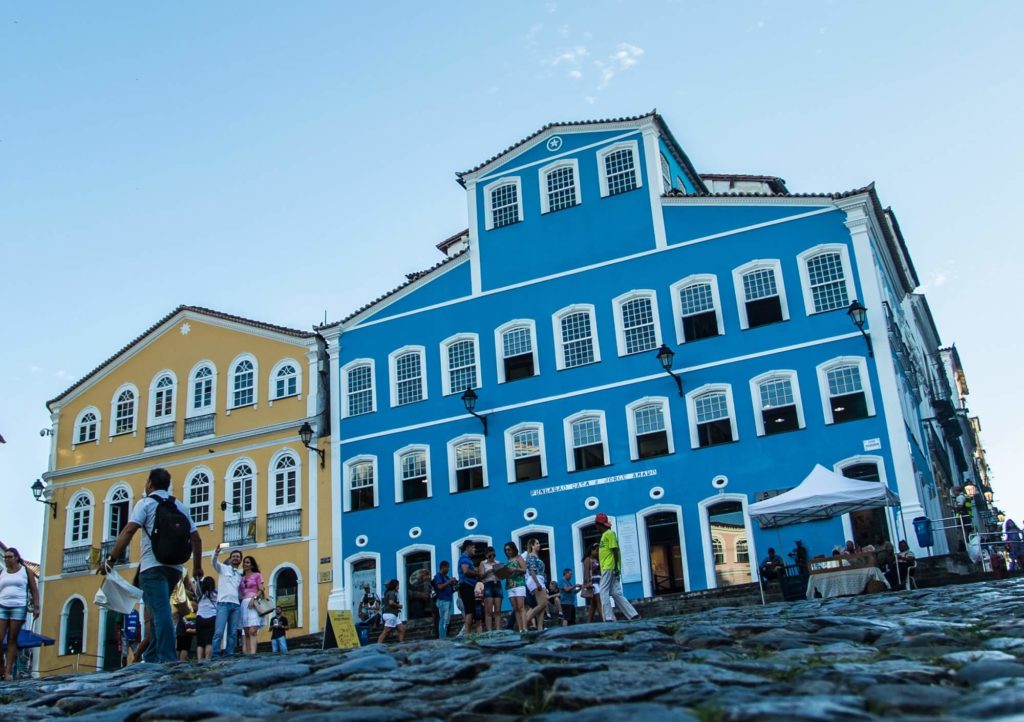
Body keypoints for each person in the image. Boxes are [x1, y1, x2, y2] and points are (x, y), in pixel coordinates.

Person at [100, 468, 203, 664]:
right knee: (158, 612)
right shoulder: (180, 506)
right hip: (175, 568)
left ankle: (167, 658)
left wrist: (111, 560)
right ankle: (152, 657)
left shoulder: (145, 504)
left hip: (152, 567)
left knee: (161, 611)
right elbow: (196, 539)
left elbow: (129, 530)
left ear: (149, 484)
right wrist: (197, 567)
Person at [0, 547, 40, 681]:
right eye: (5, 557)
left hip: (19, 607)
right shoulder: (2, 572)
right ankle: (1, 667)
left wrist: (36, 607)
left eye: (9, 557)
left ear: (16, 557)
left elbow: (34, 589)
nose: (6, 559)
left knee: (12, 638)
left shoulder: (25, 571)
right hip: (2, 607)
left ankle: (8, 671)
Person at [595, 513, 639, 622]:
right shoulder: (605, 535)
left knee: (603, 591)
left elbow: (615, 550)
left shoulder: (609, 533)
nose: (596, 527)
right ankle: (633, 614)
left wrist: (615, 568)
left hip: (609, 567)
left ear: (599, 524)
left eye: (596, 525)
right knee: (615, 592)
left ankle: (609, 617)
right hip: (608, 567)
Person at [211, 547, 244, 657]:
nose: (235, 558)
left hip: (236, 605)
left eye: (238, 557)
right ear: (230, 558)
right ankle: (215, 654)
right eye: (234, 556)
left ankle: (229, 653)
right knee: (219, 631)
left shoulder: (240, 575)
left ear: (240, 560)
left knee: (233, 633)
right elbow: (214, 562)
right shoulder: (223, 568)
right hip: (223, 604)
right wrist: (216, 552)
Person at [239, 556, 265, 655]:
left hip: (254, 603)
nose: (245, 564)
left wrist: (253, 599)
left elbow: (261, 589)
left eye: (248, 562)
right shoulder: (241, 578)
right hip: (244, 604)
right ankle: (248, 654)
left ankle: (253, 653)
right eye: (244, 562)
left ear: (252, 565)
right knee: (246, 631)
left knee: (253, 630)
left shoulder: (257, 575)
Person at [523, 538, 550, 631]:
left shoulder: (536, 556)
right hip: (535, 580)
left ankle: (539, 628)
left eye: (539, 543)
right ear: (532, 546)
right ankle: (525, 622)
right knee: (543, 604)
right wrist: (538, 583)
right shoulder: (531, 556)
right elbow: (532, 571)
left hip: (539, 580)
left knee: (542, 606)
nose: (539, 545)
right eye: (537, 543)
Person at [503, 542, 528, 632]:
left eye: (509, 549)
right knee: (515, 608)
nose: (507, 551)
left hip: (519, 584)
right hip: (510, 585)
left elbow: (524, 570)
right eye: (506, 550)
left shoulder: (519, 558)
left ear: (513, 549)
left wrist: (515, 569)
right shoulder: (508, 561)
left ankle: (525, 627)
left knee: (521, 607)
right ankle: (520, 628)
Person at [478, 547, 504, 632]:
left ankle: (498, 630)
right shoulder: (483, 563)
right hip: (488, 584)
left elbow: (502, 576)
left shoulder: (498, 562)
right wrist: (490, 571)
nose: (492, 557)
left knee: (498, 610)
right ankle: (489, 631)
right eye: (490, 555)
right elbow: (481, 576)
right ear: (486, 555)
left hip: (497, 584)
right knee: (488, 610)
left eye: (493, 555)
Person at [457, 540, 478, 635]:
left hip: (468, 586)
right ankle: (468, 633)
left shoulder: (467, 559)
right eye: (473, 547)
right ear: (468, 548)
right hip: (466, 586)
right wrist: (477, 573)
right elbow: (465, 571)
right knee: (469, 611)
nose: (474, 549)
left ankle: (468, 632)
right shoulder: (464, 558)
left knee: (470, 610)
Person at [194, 576, 217, 661]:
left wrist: (197, 579)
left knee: (200, 643)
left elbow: (196, 588)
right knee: (209, 641)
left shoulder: (200, 594)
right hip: (212, 618)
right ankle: (207, 660)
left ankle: (199, 660)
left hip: (200, 618)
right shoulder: (216, 594)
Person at [431, 561, 456, 639]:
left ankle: (444, 636)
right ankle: (442, 638)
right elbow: (440, 587)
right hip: (442, 600)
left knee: (447, 621)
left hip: (448, 600)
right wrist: (449, 582)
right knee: (443, 621)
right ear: (443, 567)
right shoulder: (438, 576)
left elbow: (451, 589)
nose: (448, 569)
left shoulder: (446, 577)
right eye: (447, 567)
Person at [378, 579, 406, 643]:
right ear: (394, 586)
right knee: (385, 632)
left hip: (393, 614)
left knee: (402, 629)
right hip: (390, 615)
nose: (398, 587)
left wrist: (396, 609)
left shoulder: (388, 592)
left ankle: (401, 644)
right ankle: (378, 646)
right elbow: (391, 603)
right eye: (397, 585)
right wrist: (399, 606)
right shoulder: (392, 593)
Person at [582, 543, 602, 623]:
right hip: (593, 583)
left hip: (599, 581)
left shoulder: (597, 559)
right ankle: (605, 619)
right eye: (596, 550)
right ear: (591, 550)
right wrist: (588, 583)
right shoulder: (587, 559)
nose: (598, 552)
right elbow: (586, 572)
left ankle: (588, 622)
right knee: (599, 601)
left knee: (593, 605)